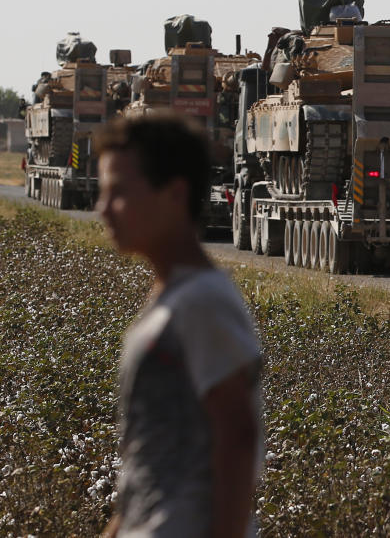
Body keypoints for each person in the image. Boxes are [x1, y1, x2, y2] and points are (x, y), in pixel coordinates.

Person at [95, 112, 262, 538]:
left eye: (119, 192)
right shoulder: (173, 299)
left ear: (174, 194)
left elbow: (238, 438)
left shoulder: (203, 302)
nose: (103, 208)